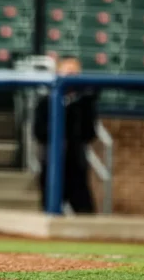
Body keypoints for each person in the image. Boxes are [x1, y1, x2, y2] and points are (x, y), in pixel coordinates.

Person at [34, 57, 98, 214]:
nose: (71, 77)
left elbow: (89, 133)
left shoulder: (84, 103)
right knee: (50, 209)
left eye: (75, 73)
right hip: (52, 162)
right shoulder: (46, 102)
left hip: (76, 162)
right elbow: (38, 132)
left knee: (84, 209)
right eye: (68, 72)